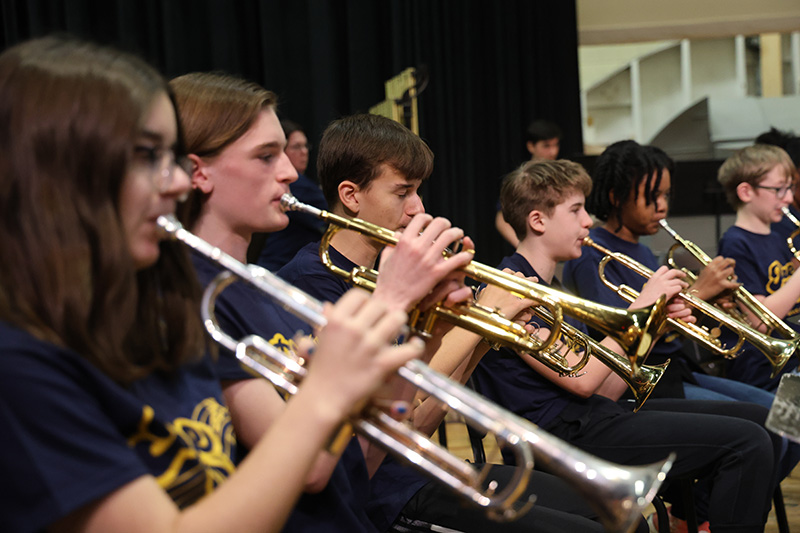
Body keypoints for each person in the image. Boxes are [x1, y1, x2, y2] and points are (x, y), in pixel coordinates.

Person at [0, 36, 421, 533]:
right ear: (57, 170)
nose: (178, 182)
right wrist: (326, 394)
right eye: (145, 155)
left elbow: (341, 469)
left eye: (173, 157)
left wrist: (371, 377)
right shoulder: (21, 361)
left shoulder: (154, 318)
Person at [278, 113, 613, 532]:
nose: (418, 207)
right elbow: (388, 428)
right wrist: (481, 319)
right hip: (382, 496)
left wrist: (485, 338)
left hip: (421, 466)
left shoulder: (384, 276)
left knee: (603, 509)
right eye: (403, 192)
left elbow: (422, 420)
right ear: (351, 195)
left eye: (418, 191)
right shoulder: (310, 281)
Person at [472, 158, 779, 532]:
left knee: (761, 423)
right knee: (746, 443)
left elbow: (605, 387)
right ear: (538, 221)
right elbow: (583, 381)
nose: (588, 221)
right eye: (576, 210)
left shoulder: (550, 288)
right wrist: (641, 309)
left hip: (593, 417)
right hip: (556, 442)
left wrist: (654, 324)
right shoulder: (509, 289)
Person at [562, 140, 780, 408]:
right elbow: (628, 330)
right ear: (616, 197)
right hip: (638, 382)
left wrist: (705, 305)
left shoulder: (642, 250)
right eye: (652, 196)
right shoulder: (592, 255)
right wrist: (699, 292)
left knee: (772, 409)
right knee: (762, 418)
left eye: (666, 195)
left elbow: (671, 323)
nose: (662, 206)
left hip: (676, 369)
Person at [716, 144, 800, 391]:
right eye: (779, 189)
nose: (788, 198)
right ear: (746, 192)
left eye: (790, 188)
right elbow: (761, 320)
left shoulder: (777, 237)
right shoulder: (735, 243)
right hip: (765, 369)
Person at [253, 119, 329, 270]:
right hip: (277, 271)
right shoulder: (295, 184)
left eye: (305, 146)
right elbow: (332, 210)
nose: (304, 152)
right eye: (296, 147)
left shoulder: (303, 183)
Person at [496, 119, 562, 247]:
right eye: (546, 146)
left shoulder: (562, 176)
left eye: (556, 145)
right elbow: (501, 220)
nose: (553, 152)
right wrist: (524, 247)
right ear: (531, 146)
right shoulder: (520, 179)